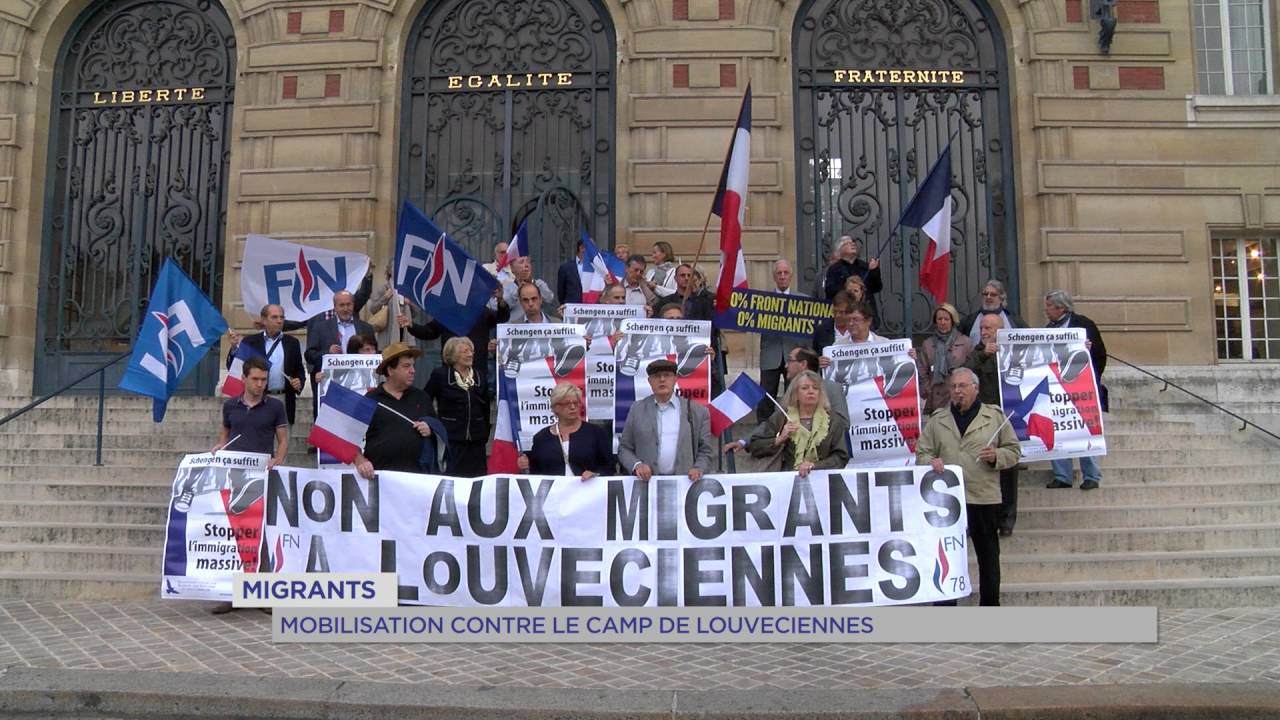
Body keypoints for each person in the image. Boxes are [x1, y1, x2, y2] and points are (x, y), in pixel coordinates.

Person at [916, 367, 1021, 606]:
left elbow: (1014, 451)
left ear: (976, 388)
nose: (957, 391)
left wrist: (996, 455)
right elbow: (922, 452)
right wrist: (930, 461)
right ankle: (945, 605)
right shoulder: (938, 419)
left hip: (983, 497)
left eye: (963, 386)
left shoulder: (994, 417)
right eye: (954, 386)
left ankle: (990, 606)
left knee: (988, 557)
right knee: (946, 556)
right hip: (946, 503)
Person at [209, 355, 287, 615]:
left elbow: (283, 439)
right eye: (255, 379)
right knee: (234, 536)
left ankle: (263, 593)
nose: (260, 384)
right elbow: (225, 434)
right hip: (234, 475)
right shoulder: (231, 406)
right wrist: (219, 447)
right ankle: (233, 594)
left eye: (264, 380)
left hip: (262, 476)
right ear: (243, 378)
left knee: (262, 535)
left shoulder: (275, 406)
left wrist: (279, 459)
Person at [1044, 289, 1108, 491]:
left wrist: (1090, 375)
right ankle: (1062, 475)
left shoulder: (1084, 324)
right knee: (1059, 429)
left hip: (1081, 387)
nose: (1046, 310)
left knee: (1085, 429)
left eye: (1048, 306)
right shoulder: (1047, 328)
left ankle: (1091, 475)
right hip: (1056, 387)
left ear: (1060, 307)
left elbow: (1100, 354)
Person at [963, 313, 1018, 536]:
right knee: (979, 469)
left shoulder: (1013, 350)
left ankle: (1006, 519)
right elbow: (964, 373)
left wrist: (1080, 347)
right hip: (982, 420)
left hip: (1008, 419)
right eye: (983, 328)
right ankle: (983, 519)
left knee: (1007, 470)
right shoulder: (976, 353)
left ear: (1001, 330)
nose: (985, 332)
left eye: (990, 328)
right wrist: (983, 355)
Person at [618, 359, 714, 481]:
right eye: (657, 376)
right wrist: (637, 465)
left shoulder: (697, 411)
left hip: (685, 484)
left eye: (667, 375)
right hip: (647, 485)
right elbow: (624, 448)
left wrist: (699, 468)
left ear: (675, 379)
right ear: (649, 381)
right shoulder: (637, 409)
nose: (662, 380)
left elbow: (705, 451)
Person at [403, 285, 510, 390]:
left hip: (477, 368)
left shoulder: (480, 311)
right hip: (451, 370)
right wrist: (411, 326)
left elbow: (501, 318)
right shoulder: (447, 313)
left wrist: (500, 300)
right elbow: (429, 332)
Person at [353, 342, 435, 480]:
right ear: (390, 370)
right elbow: (349, 437)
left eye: (413, 365)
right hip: (381, 479)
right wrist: (360, 461)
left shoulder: (422, 397)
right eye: (406, 366)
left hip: (418, 480)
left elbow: (438, 428)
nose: (413, 370)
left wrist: (430, 428)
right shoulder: (370, 399)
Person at [746, 370, 849, 476]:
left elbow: (841, 457)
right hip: (786, 481)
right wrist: (779, 439)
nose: (811, 391)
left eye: (815, 388)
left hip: (822, 481)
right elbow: (754, 445)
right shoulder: (782, 417)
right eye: (805, 388)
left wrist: (814, 466)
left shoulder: (833, 420)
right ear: (795, 393)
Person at [226, 304, 305, 425]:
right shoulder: (251, 342)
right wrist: (234, 348)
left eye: (281, 317)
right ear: (264, 320)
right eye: (274, 317)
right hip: (257, 399)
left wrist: (299, 382)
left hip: (284, 399)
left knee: (283, 440)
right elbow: (235, 368)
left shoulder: (292, 343)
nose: (279, 321)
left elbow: (299, 370)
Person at [424, 337, 489, 477]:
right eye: (465, 351)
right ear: (452, 355)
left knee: (478, 478)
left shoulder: (479, 375)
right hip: (452, 438)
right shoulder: (440, 375)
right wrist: (434, 425)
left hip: (477, 440)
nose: (470, 354)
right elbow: (425, 400)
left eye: (471, 351)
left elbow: (486, 407)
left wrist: (484, 431)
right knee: (453, 478)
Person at [520, 383, 614, 479]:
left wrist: (596, 474)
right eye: (567, 403)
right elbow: (536, 474)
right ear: (555, 407)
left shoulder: (596, 433)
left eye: (576, 403)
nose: (572, 407)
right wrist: (526, 467)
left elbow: (609, 467)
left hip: (588, 491)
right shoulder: (541, 438)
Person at [758, 260, 807, 419]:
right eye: (779, 273)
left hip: (793, 355)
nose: (782, 276)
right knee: (765, 397)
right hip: (770, 355)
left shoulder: (804, 300)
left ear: (791, 276)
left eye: (785, 273)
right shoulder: (762, 301)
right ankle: (763, 435)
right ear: (774, 276)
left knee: (793, 397)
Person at [305, 290, 375, 398]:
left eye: (348, 304)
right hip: (331, 385)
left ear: (353, 305)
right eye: (342, 305)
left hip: (361, 386)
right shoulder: (320, 328)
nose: (346, 309)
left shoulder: (366, 328)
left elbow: (376, 354)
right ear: (335, 307)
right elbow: (309, 355)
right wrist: (327, 353)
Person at [918, 303, 974, 414]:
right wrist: (929, 390)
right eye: (939, 319)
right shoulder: (928, 344)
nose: (943, 322)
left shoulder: (965, 342)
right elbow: (922, 371)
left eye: (946, 319)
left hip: (959, 395)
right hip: (936, 398)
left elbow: (973, 370)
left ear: (952, 321)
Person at [823, 236, 883, 324]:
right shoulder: (834, 269)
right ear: (840, 250)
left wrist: (874, 271)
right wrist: (849, 289)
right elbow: (830, 291)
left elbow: (876, 288)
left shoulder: (865, 266)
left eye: (852, 242)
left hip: (865, 314)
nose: (852, 244)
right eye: (847, 243)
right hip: (846, 315)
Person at [960, 279, 1026, 345]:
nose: (988, 297)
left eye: (993, 294)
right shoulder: (969, 321)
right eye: (985, 294)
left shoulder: (1014, 320)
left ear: (1001, 298)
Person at [366, 264, 413, 352]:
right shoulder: (382, 288)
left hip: (405, 333)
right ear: (390, 272)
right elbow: (373, 309)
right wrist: (386, 297)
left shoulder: (407, 290)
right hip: (387, 335)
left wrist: (410, 304)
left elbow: (415, 315)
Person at [500, 257, 556, 322]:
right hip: (515, 328)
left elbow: (549, 298)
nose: (526, 265)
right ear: (512, 268)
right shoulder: (506, 288)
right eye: (521, 262)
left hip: (539, 327)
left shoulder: (539, 284)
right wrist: (518, 291)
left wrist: (532, 282)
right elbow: (500, 308)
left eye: (528, 262)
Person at [556, 238, 586, 305]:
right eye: (591, 248)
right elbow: (561, 293)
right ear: (581, 248)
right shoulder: (565, 268)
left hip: (590, 311)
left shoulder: (595, 269)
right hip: (571, 311)